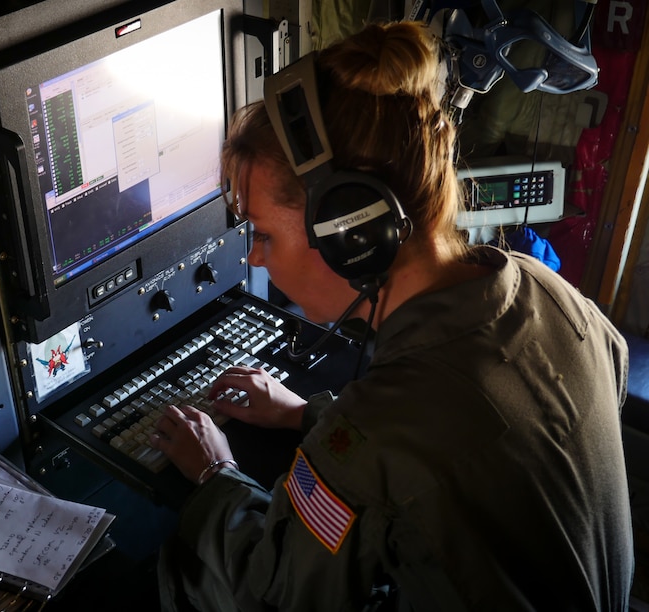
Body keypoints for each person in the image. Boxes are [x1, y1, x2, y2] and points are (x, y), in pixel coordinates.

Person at [148, 20, 633, 611]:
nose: (253, 256)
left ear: (351, 235)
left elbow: (269, 585)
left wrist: (214, 476)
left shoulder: (381, 428)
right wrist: (309, 418)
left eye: (263, 232)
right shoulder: (549, 290)